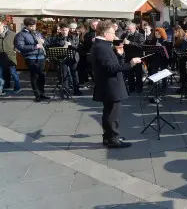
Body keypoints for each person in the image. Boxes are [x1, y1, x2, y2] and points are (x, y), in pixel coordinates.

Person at [90, 20, 142, 148]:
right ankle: (113, 139)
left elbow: (114, 64)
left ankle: (109, 136)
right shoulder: (101, 47)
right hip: (110, 85)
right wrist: (131, 63)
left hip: (110, 84)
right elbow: (111, 68)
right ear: (106, 33)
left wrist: (120, 54)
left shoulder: (103, 45)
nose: (115, 36)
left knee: (109, 111)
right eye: (113, 33)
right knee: (113, 113)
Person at [15, 17, 49, 102]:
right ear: (26, 26)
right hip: (31, 58)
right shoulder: (21, 34)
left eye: (34, 26)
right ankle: (37, 95)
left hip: (41, 56)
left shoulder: (37, 33)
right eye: (31, 26)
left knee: (42, 76)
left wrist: (44, 42)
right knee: (34, 76)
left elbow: (44, 44)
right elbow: (20, 47)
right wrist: (34, 46)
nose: (33, 28)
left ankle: (42, 93)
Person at [0, 19, 21, 95]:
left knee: (13, 73)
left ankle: (17, 87)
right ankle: (0, 90)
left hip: (10, 57)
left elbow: (16, 44)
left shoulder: (12, 34)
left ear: (3, 24)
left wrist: (16, 49)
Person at [47, 23, 81, 95]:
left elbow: (78, 48)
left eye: (66, 30)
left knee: (75, 74)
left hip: (73, 58)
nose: (64, 32)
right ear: (60, 30)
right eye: (63, 30)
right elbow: (52, 46)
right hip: (62, 58)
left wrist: (71, 45)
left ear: (68, 30)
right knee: (64, 75)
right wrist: (62, 44)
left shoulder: (74, 36)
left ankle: (77, 90)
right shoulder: (57, 38)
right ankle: (66, 90)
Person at [120, 22, 145, 93]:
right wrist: (121, 43)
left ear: (134, 28)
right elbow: (120, 41)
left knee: (138, 74)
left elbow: (141, 45)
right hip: (128, 57)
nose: (128, 31)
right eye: (128, 29)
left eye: (130, 29)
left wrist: (130, 43)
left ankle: (139, 88)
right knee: (129, 73)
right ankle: (131, 87)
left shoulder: (140, 35)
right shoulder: (125, 35)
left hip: (137, 57)